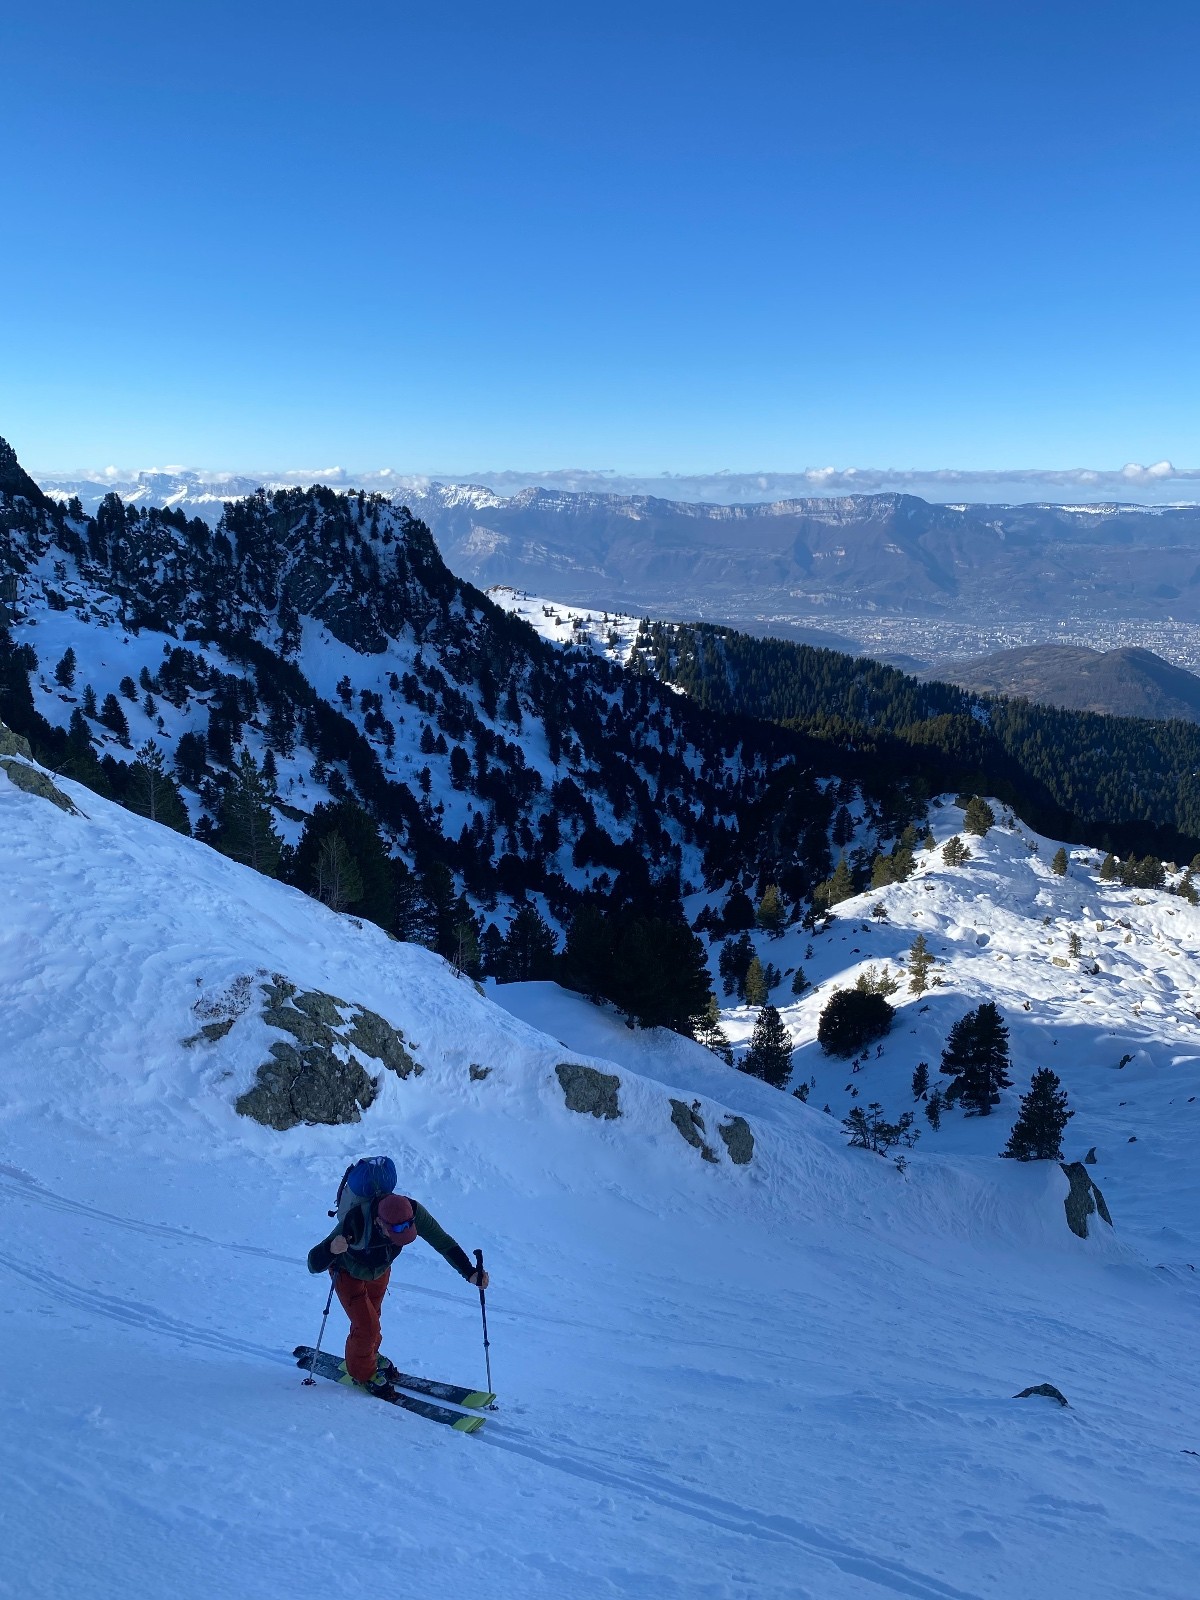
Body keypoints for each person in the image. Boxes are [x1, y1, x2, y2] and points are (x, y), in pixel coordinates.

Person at [308, 1185, 489, 1396]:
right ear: (379, 1222)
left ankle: (369, 1354)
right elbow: (313, 1263)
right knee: (367, 1326)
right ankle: (362, 1373)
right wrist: (330, 1249)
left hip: (379, 1270)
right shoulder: (355, 1222)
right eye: (394, 1233)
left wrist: (469, 1272)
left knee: (373, 1316)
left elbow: (443, 1242)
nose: (401, 1236)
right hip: (348, 1272)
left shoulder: (412, 1212)